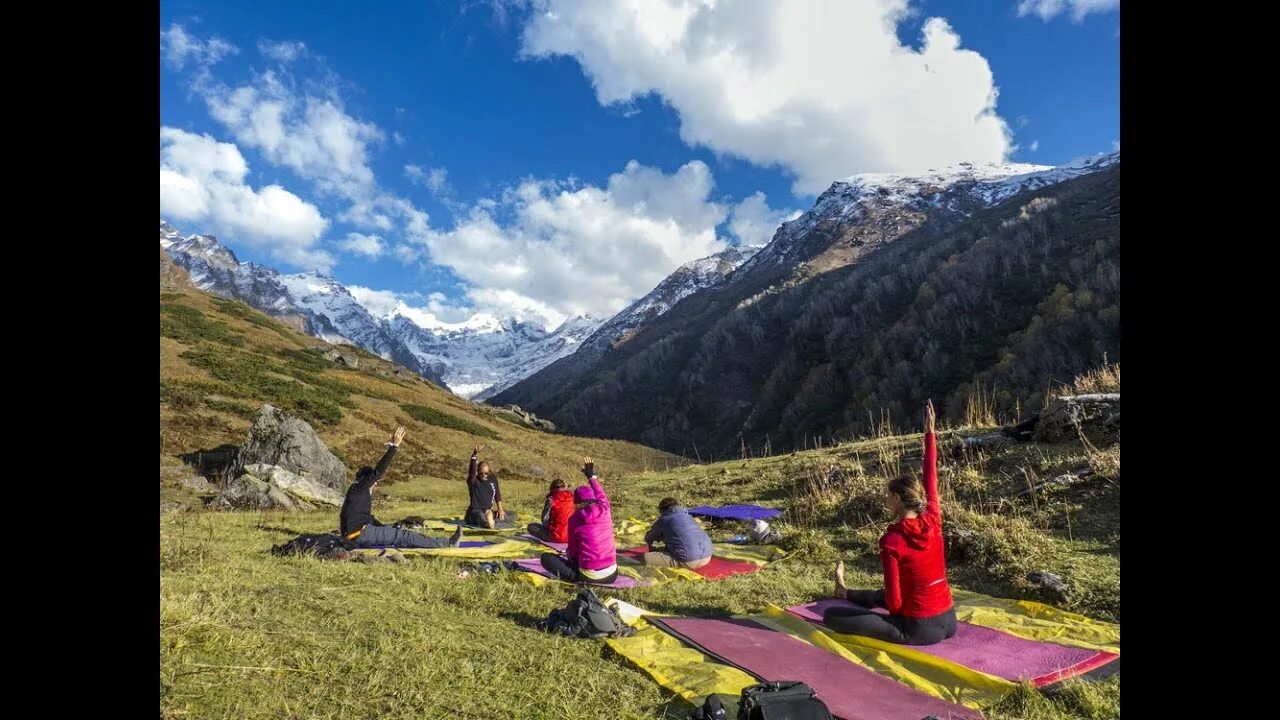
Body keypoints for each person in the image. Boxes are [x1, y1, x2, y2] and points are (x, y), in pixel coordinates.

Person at [825, 400, 957, 646]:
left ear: (896, 499)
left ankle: (843, 595)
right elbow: (931, 476)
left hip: (919, 629)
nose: (885, 499)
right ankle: (844, 592)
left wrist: (896, 621)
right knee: (881, 595)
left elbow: (895, 604)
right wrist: (930, 434)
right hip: (950, 620)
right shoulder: (933, 519)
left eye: (888, 496)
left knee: (832, 616)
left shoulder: (891, 541)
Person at [340, 426, 462, 549]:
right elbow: (378, 472)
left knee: (394, 531)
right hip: (360, 534)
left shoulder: (356, 492)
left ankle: (443, 542)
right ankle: (448, 543)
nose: (375, 484)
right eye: (374, 482)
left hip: (357, 533)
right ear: (365, 479)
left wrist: (386, 528)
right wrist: (394, 447)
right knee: (404, 536)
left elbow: (366, 517)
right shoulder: (360, 487)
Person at [539, 457, 618, 583]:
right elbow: (601, 494)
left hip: (589, 576)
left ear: (576, 503)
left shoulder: (575, 520)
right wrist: (591, 476)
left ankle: (579, 577)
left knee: (546, 558)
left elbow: (573, 552)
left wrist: (569, 557)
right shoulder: (605, 510)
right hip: (612, 574)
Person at [641, 497, 713, 569]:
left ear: (662, 510)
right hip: (707, 556)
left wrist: (651, 544)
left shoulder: (664, 519)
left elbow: (649, 537)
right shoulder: (688, 516)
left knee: (643, 558)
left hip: (689, 561)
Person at [465, 446, 515, 528]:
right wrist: (474, 455)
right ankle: (489, 523)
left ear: (489, 472)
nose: (483, 475)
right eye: (481, 473)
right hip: (476, 511)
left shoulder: (493, 479)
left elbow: (497, 494)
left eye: (486, 473)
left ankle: (492, 520)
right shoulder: (473, 481)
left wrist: (500, 509)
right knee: (481, 517)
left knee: (512, 515)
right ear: (478, 472)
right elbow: (472, 471)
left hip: (488, 511)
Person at [527, 478, 574, 543]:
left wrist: (551, 527)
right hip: (571, 536)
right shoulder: (572, 498)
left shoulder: (551, 499)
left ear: (552, 488)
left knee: (530, 526)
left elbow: (544, 520)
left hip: (555, 536)